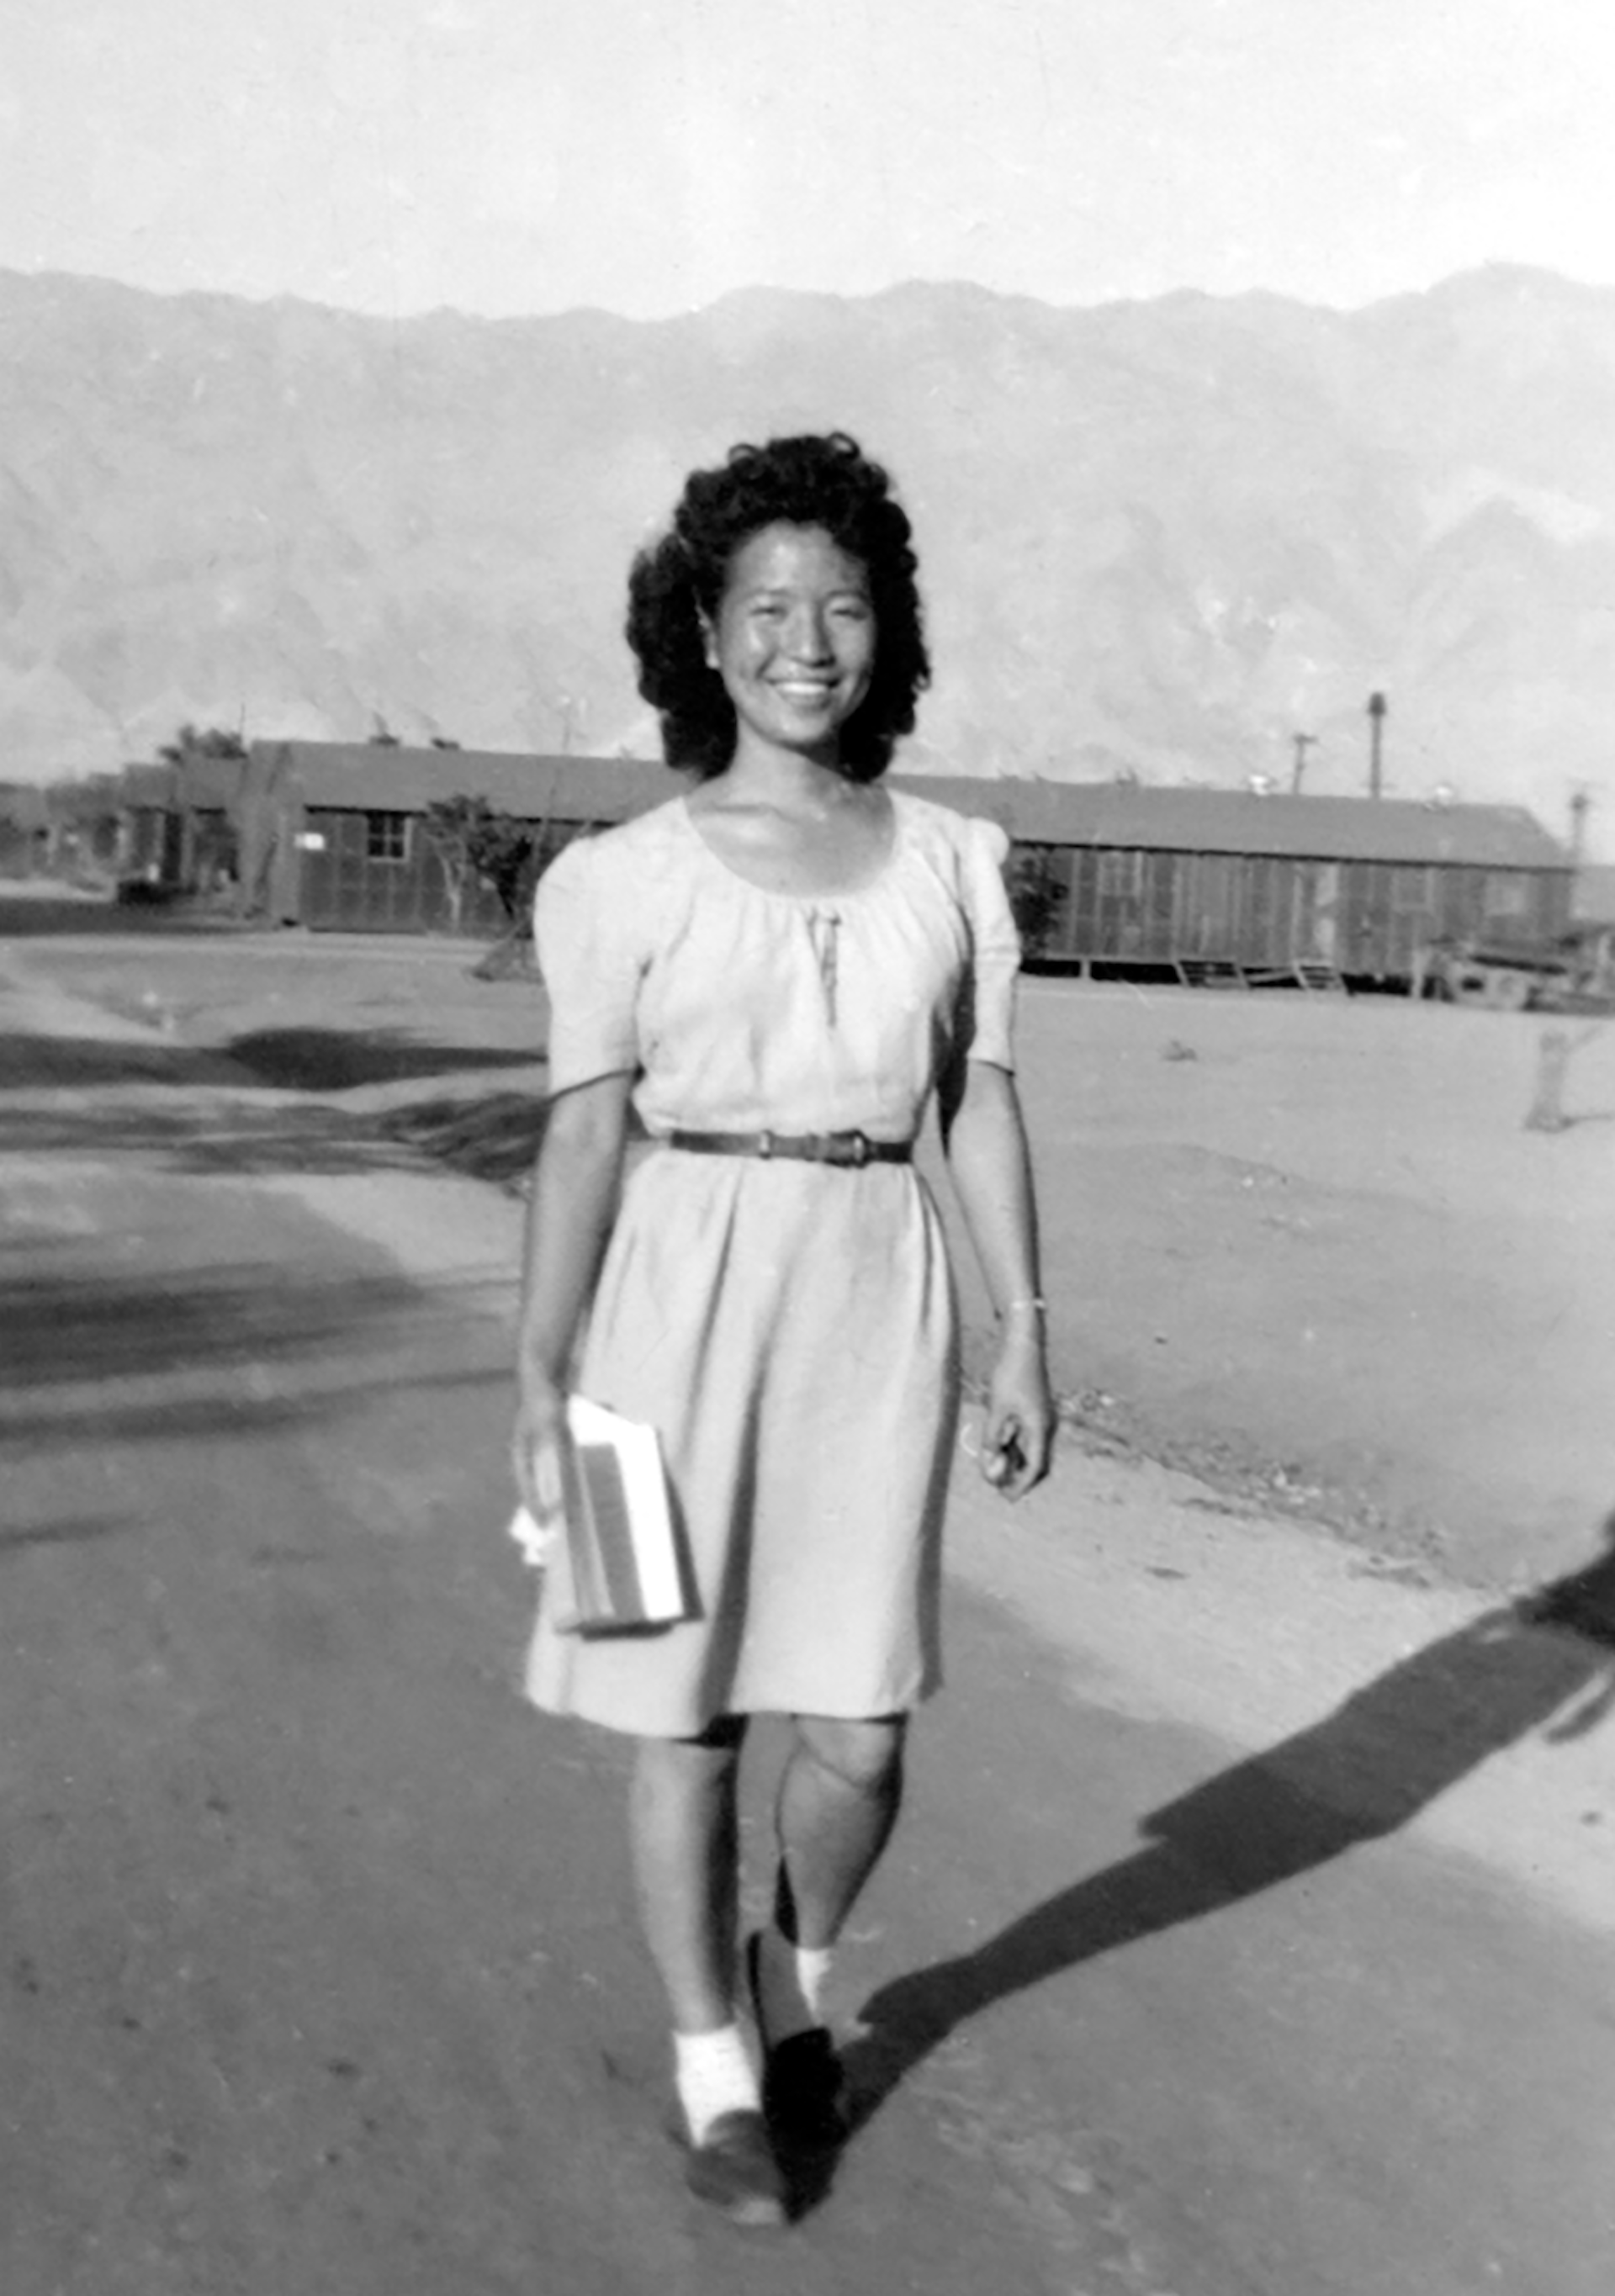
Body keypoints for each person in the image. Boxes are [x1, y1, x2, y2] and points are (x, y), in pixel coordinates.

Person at [511, 431, 1054, 2229]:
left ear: (888, 633)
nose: (806, 643)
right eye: (766, 606)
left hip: (874, 1305)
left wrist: (1024, 1329)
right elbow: (581, 1140)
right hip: (652, 1326)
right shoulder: (615, 880)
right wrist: (540, 1381)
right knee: (674, 1719)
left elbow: (978, 1103)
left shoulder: (957, 860)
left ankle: (792, 1974)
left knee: (864, 1728)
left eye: (844, 606)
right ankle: (713, 2073)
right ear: (704, 630)